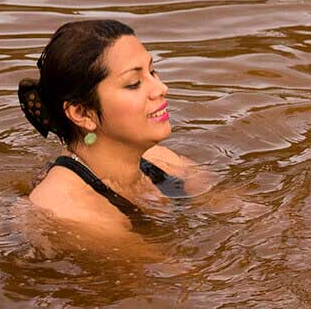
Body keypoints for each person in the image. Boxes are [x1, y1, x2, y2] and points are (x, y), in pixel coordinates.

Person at [17, 20, 207, 254]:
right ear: (82, 113)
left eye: (152, 71)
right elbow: (175, 278)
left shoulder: (162, 162)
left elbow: (235, 206)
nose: (161, 88)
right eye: (134, 83)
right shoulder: (70, 211)